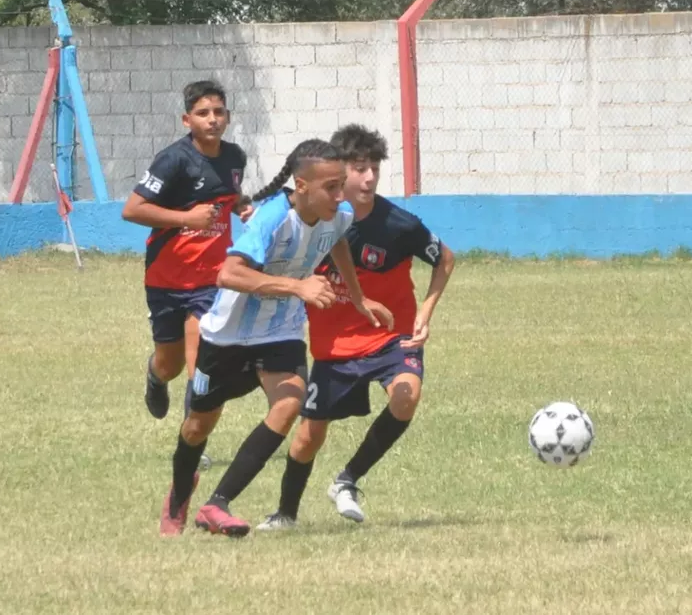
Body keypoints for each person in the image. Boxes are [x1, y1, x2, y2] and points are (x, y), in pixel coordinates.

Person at [158, 138, 394, 538]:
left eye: (342, 184)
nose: (342, 195)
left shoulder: (339, 214)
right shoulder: (271, 218)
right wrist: (297, 286)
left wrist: (357, 297)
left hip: (279, 331)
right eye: (331, 188)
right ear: (301, 186)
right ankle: (179, 499)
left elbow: (335, 239)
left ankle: (217, 504)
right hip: (228, 335)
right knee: (198, 426)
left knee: (289, 404)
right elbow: (228, 274)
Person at [255, 124, 455, 531]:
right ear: (337, 172)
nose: (369, 178)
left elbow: (446, 260)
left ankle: (347, 480)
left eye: (375, 168)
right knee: (308, 438)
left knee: (406, 395)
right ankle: (286, 514)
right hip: (335, 345)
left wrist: (425, 314)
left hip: (390, 335)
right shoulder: (312, 218)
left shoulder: (398, 224)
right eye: (359, 168)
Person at [121, 80, 253, 473]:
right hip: (166, 278)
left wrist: (241, 207)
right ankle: (154, 375)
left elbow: (227, 196)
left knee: (202, 365)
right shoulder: (172, 161)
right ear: (187, 119)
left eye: (219, 112)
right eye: (203, 113)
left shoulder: (234, 157)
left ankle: (193, 440)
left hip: (212, 280)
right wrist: (186, 219)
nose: (213, 119)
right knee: (171, 363)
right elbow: (132, 209)